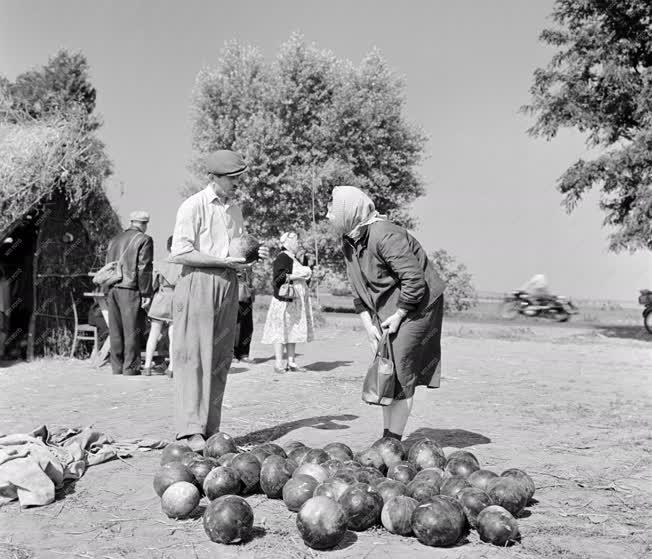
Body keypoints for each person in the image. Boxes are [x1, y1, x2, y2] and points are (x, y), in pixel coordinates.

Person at [327, 185, 446, 442]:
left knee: (400, 366)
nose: (327, 215)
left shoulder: (385, 234)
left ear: (349, 211)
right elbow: (357, 287)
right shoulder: (349, 239)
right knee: (386, 367)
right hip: (389, 304)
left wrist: (401, 313)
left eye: (332, 209)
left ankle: (392, 441)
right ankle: (387, 438)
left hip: (418, 304)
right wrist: (368, 324)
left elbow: (414, 280)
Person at [169, 150, 269, 451]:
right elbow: (179, 252)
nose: (238, 183)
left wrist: (251, 254)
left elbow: (236, 250)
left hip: (228, 283)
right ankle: (189, 429)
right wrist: (223, 260)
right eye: (233, 178)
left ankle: (211, 427)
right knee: (193, 357)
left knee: (220, 358)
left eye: (240, 178)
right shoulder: (193, 206)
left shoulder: (234, 210)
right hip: (198, 281)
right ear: (214, 177)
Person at [105, 211, 154, 376]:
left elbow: (108, 265)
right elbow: (144, 268)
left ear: (132, 221)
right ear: (145, 223)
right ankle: (131, 368)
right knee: (132, 329)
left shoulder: (114, 239)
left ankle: (116, 367)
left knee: (115, 329)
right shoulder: (144, 239)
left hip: (112, 288)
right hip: (130, 289)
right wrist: (147, 293)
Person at [261, 231, 315, 373]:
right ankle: (279, 363)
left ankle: (291, 362)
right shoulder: (283, 257)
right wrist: (299, 274)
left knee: (292, 330)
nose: (298, 243)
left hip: (294, 302)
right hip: (284, 302)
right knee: (280, 331)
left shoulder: (295, 258)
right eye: (296, 240)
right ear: (287, 242)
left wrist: (307, 272)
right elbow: (278, 278)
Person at [143, 235, 182, 376]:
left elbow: (153, 285)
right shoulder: (184, 266)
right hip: (177, 301)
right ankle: (171, 368)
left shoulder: (158, 264)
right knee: (173, 335)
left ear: (167, 247)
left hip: (160, 298)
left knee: (153, 334)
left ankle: (147, 366)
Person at [233, 268, 255, 362]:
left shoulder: (249, 264)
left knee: (247, 325)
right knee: (234, 326)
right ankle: (232, 354)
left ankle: (244, 354)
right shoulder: (233, 258)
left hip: (246, 295)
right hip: (234, 294)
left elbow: (251, 280)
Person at [0, 263, 11, 359]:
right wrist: (7, 309)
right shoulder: (5, 282)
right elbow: (6, 297)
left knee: (3, 330)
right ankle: (1, 351)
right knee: (3, 330)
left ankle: (2, 351)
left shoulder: (5, 282)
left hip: (3, 309)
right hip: (2, 310)